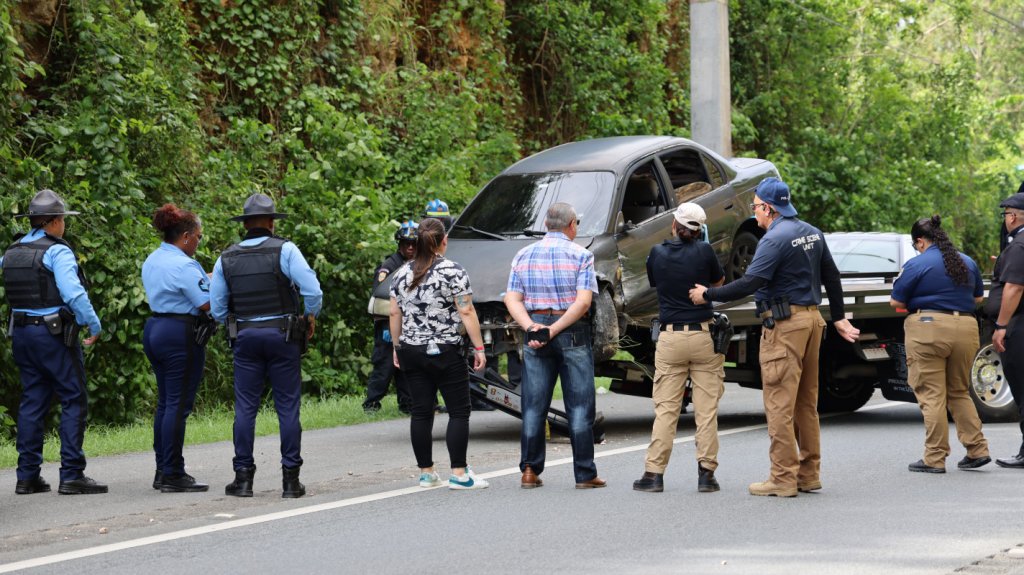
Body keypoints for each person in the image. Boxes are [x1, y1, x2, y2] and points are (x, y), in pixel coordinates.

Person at [689, 178, 860, 497]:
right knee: (806, 404)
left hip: (784, 326)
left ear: (769, 208)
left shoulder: (774, 239)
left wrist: (708, 294)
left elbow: (751, 282)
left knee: (780, 403)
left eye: (756, 207)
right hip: (812, 322)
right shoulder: (811, 232)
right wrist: (838, 318)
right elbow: (832, 276)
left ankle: (782, 478)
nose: (754, 215)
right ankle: (808, 474)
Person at [210, 193, 322, 498]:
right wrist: (309, 317)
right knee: (287, 406)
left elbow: (218, 309)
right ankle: (290, 480)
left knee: (245, 408)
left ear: (245, 224)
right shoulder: (285, 249)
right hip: (283, 336)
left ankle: (243, 479)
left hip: (244, 337)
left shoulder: (226, 258)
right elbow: (312, 289)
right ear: (272, 223)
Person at [1, 189, 107, 495]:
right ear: (54, 222)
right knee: (74, 397)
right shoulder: (57, 251)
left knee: (33, 401)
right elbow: (73, 293)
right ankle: (72, 474)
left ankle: (27, 476)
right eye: (62, 220)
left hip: (21, 334)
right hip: (53, 335)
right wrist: (93, 322)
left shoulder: (12, 250)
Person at [504, 202, 605, 490]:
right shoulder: (582, 255)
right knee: (579, 405)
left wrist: (531, 327)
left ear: (547, 224)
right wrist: (554, 328)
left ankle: (529, 470)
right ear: (572, 224)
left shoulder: (523, 255)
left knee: (534, 405)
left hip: (534, 329)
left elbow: (512, 298)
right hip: (570, 330)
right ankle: (585, 474)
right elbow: (583, 302)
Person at [389, 217, 489, 490]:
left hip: (411, 350)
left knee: (421, 412)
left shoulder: (400, 273)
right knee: (459, 411)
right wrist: (479, 347)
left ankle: (427, 473)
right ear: (443, 241)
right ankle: (459, 472)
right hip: (445, 350)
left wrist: (397, 347)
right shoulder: (453, 271)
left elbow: (394, 312)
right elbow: (466, 310)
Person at [634, 203, 725, 493]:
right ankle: (706, 475)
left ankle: (653, 474)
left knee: (666, 409)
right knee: (706, 410)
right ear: (700, 229)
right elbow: (718, 282)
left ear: (674, 224)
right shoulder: (706, 252)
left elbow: (655, 281)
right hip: (703, 336)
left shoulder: (657, 253)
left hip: (671, 337)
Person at [890, 215, 990, 473]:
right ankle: (977, 450)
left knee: (932, 394)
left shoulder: (917, 264)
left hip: (928, 328)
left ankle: (934, 458)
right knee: (958, 391)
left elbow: (897, 302)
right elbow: (978, 297)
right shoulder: (966, 261)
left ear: (920, 241)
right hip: (966, 327)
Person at [141, 204, 213, 492]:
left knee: (165, 403)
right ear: (185, 237)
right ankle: (173, 472)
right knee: (178, 406)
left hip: (156, 329)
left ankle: (163, 468)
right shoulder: (184, 264)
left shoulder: (154, 258)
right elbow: (207, 303)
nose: (198, 242)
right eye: (198, 237)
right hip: (180, 335)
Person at [363, 220, 416, 414]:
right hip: (387, 321)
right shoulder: (389, 266)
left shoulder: (419, 264)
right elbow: (380, 293)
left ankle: (408, 404)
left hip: (410, 322)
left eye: (414, 243)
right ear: (399, 244)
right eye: (406, 243)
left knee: (408, 363)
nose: (410, 247)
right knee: (385, 363)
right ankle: (371, 404)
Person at [988, 186, 1024, 468]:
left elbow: (1013, 288)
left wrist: (1001, 325)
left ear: (1012, 217)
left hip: (1019, 326)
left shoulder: (1019, 245)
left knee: (1022, 388)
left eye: (1007, 214)